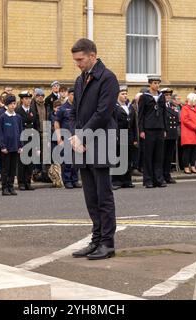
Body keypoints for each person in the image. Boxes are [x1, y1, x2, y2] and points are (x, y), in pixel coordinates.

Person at [69, 38, 119, 260]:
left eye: (80, 59)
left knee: (103, 195)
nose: (78, 64)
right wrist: (74, 135)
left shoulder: (107, 78)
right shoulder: (80, 80)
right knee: (90, 196)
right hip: (83, 142)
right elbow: (74, 113)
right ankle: (96, 239)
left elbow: (103, 113)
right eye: (76, 60)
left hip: (101, 140)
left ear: (92, 55)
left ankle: (107, 243)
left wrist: (82, 135)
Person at [138, 75, 167, 188]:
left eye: (158, 83)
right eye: (155, 83)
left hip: (159, 128)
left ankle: (158, 179)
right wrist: (141, 130)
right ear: (150, 84)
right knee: (148, 156)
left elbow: (164, 113)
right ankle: (148, 180)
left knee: (159, 156)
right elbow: (140, 115)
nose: (157, 85)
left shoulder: (161, 96)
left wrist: (165, 129)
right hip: (148, 129)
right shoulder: (144, 97)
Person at [110, 85, 137, 189]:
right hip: (119, 134)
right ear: (117, 95)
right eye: (123, 94)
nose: (125, 96)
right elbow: (113, 122)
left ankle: (127, 180)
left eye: (126, 94)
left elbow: (134, 123)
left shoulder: (129, 107)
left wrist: (135, 138)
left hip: (128, 135)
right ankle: (117, 180)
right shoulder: (114, 107)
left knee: (128, 158)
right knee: (118, 158)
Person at [55, 89, 82, 189]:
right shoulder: (62, 108)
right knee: (67, 160)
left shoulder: (79, 108)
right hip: (66, 137)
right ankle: (67, 180)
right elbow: (56, 122)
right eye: (72, 94)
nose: (74, 96)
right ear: (68, 95)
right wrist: (58, 137)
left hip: (77, 138)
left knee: (76, 160)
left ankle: (75, 179)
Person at [0, 95, 22, 196]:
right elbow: (0, 132)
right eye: (11, 104)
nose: (13, 106)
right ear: (7, 105)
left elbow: (20, 132)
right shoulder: (3, 117)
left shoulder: (18, 117)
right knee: (5, 169)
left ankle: (11, 186)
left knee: (13, 169)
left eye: (14, 104)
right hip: (6, 148)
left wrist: (20, 146)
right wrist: (2, 146)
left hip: (15, 147)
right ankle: (4, 188)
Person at [16, 90, 39, 191]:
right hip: (22, 138)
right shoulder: (18, 111)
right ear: (22, 100)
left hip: (32, 138)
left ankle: (28, 181)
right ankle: (21, 182)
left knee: (30, 162)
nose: (28, 100)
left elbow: (36, 125)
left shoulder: (33, 110)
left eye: (29, 99)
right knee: (21, 162)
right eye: (26, 99)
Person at [181, 93, 196, 174]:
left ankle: (193, 166)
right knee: (187, 150)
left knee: (194, 150)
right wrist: (195, 127)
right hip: (188, 132)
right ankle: (186, 167)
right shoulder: (185, 108)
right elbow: (185, 120)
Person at [161, 88, 179, 184]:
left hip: (172, 133)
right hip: (165, 133)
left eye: (169, 95)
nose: (168, 97)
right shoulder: (160, 105)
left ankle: (167, 174)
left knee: (169, 156)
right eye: (166, 95)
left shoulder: (172, 106)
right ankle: (161, 175)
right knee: (162, 156)